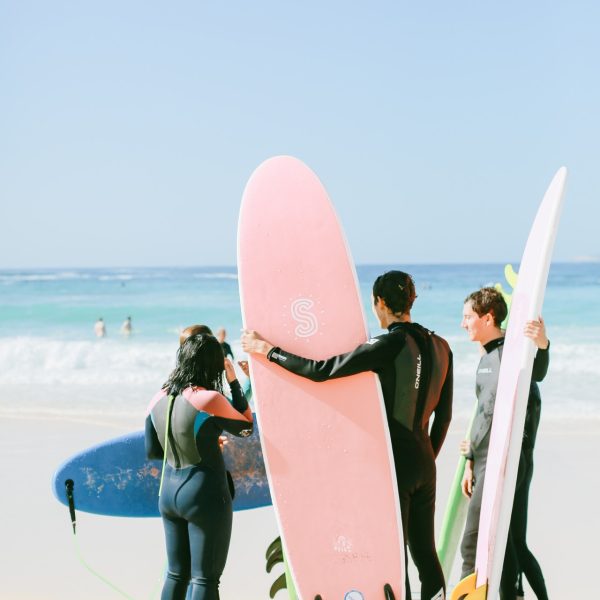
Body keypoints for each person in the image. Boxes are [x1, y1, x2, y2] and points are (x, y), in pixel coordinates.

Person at [241, 270, 453, 600]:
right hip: (426, 462)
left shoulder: (388, 344)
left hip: (394, 466)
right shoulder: (441, 346)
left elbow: (322, 371)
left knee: (395, 557)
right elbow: (445, 417)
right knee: (425, 555)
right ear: (411, 301)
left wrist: (266, 350)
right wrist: (426, 457)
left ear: (380, 302)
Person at [145, 333, 253, 600]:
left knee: (176, 574)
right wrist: (234, 382)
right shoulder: (209, 399)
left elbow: (154, 451)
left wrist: (199, 439)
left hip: (169, 495)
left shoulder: (158, 397)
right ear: (213, 365)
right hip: (204, 494)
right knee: (205, 579)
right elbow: (246, 428)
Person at [459, 287, 549, 600]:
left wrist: (542, 344)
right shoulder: (487, 358)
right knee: (510, 543)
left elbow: (536, 374)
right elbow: (484, 411)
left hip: (506, 461)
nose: (463, 323)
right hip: (488, 460)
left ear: (488, 318)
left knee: (478, 542)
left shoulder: (510, 354)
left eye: (468, 317)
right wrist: (471, 458)